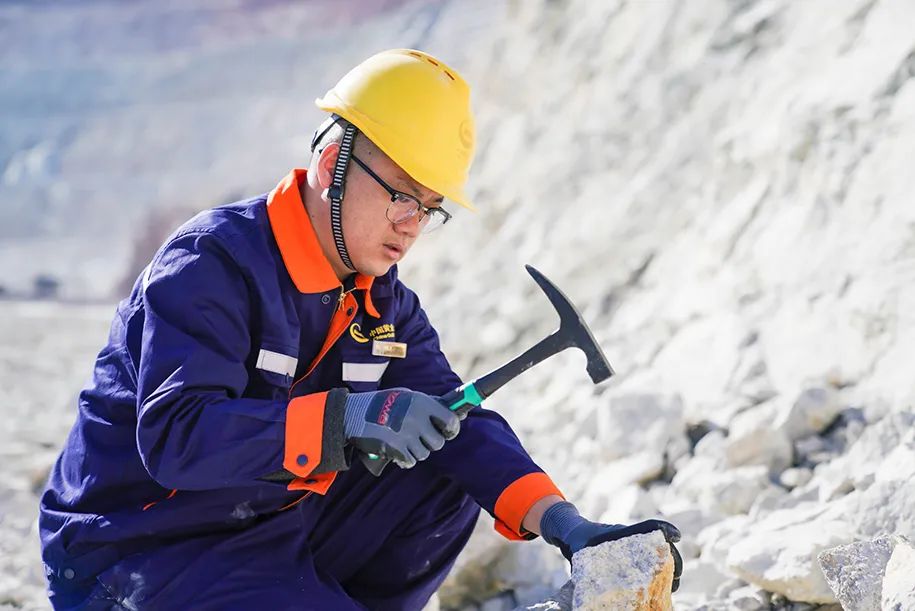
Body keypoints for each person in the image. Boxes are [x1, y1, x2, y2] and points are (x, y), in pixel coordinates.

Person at [39, 49, 681, 610]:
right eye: (401, 192)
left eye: (430, 207)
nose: (412, 222)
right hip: (138, 548)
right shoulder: (214, 265)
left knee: (443, 464)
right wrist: (349, 419)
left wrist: (566, 526)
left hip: (264, 533)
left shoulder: (381, 301)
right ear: (329, 162)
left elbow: (459, 424)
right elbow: (180, 437)